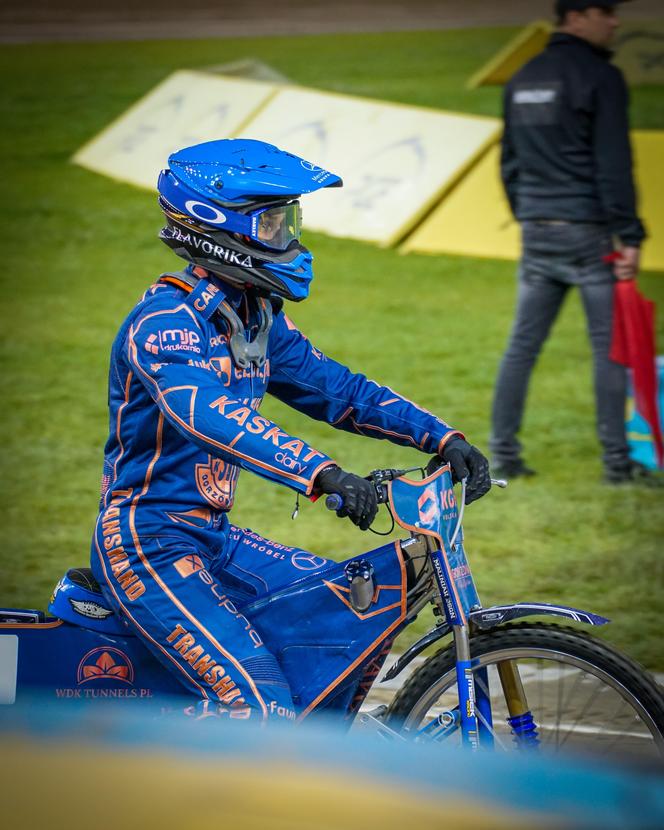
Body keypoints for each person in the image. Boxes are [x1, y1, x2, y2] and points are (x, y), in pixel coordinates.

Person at [90, 138, 491, 723]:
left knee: (353, 607)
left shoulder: (253, 313)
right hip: (146, 545)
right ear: (218, 226)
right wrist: (322, 474)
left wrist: (442, 437)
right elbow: (213, 418)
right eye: (274, 222)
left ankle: (319, 770)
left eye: (288, 220)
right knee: (260, 704)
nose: (290, 238)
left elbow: (337, 390)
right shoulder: (166, 322)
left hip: (211, 539)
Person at [490, 0, 650, 484]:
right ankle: (617, 468)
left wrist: (531, 216)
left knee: (521, 346)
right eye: (607, 11)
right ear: (577, 17)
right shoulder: (600, 77)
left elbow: (509, 163)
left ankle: (503, 458)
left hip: (538, 228)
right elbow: (613, 164)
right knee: (609, 350)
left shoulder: (523, 77)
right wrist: (631, 233)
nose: (616, 21)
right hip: (589, 233)